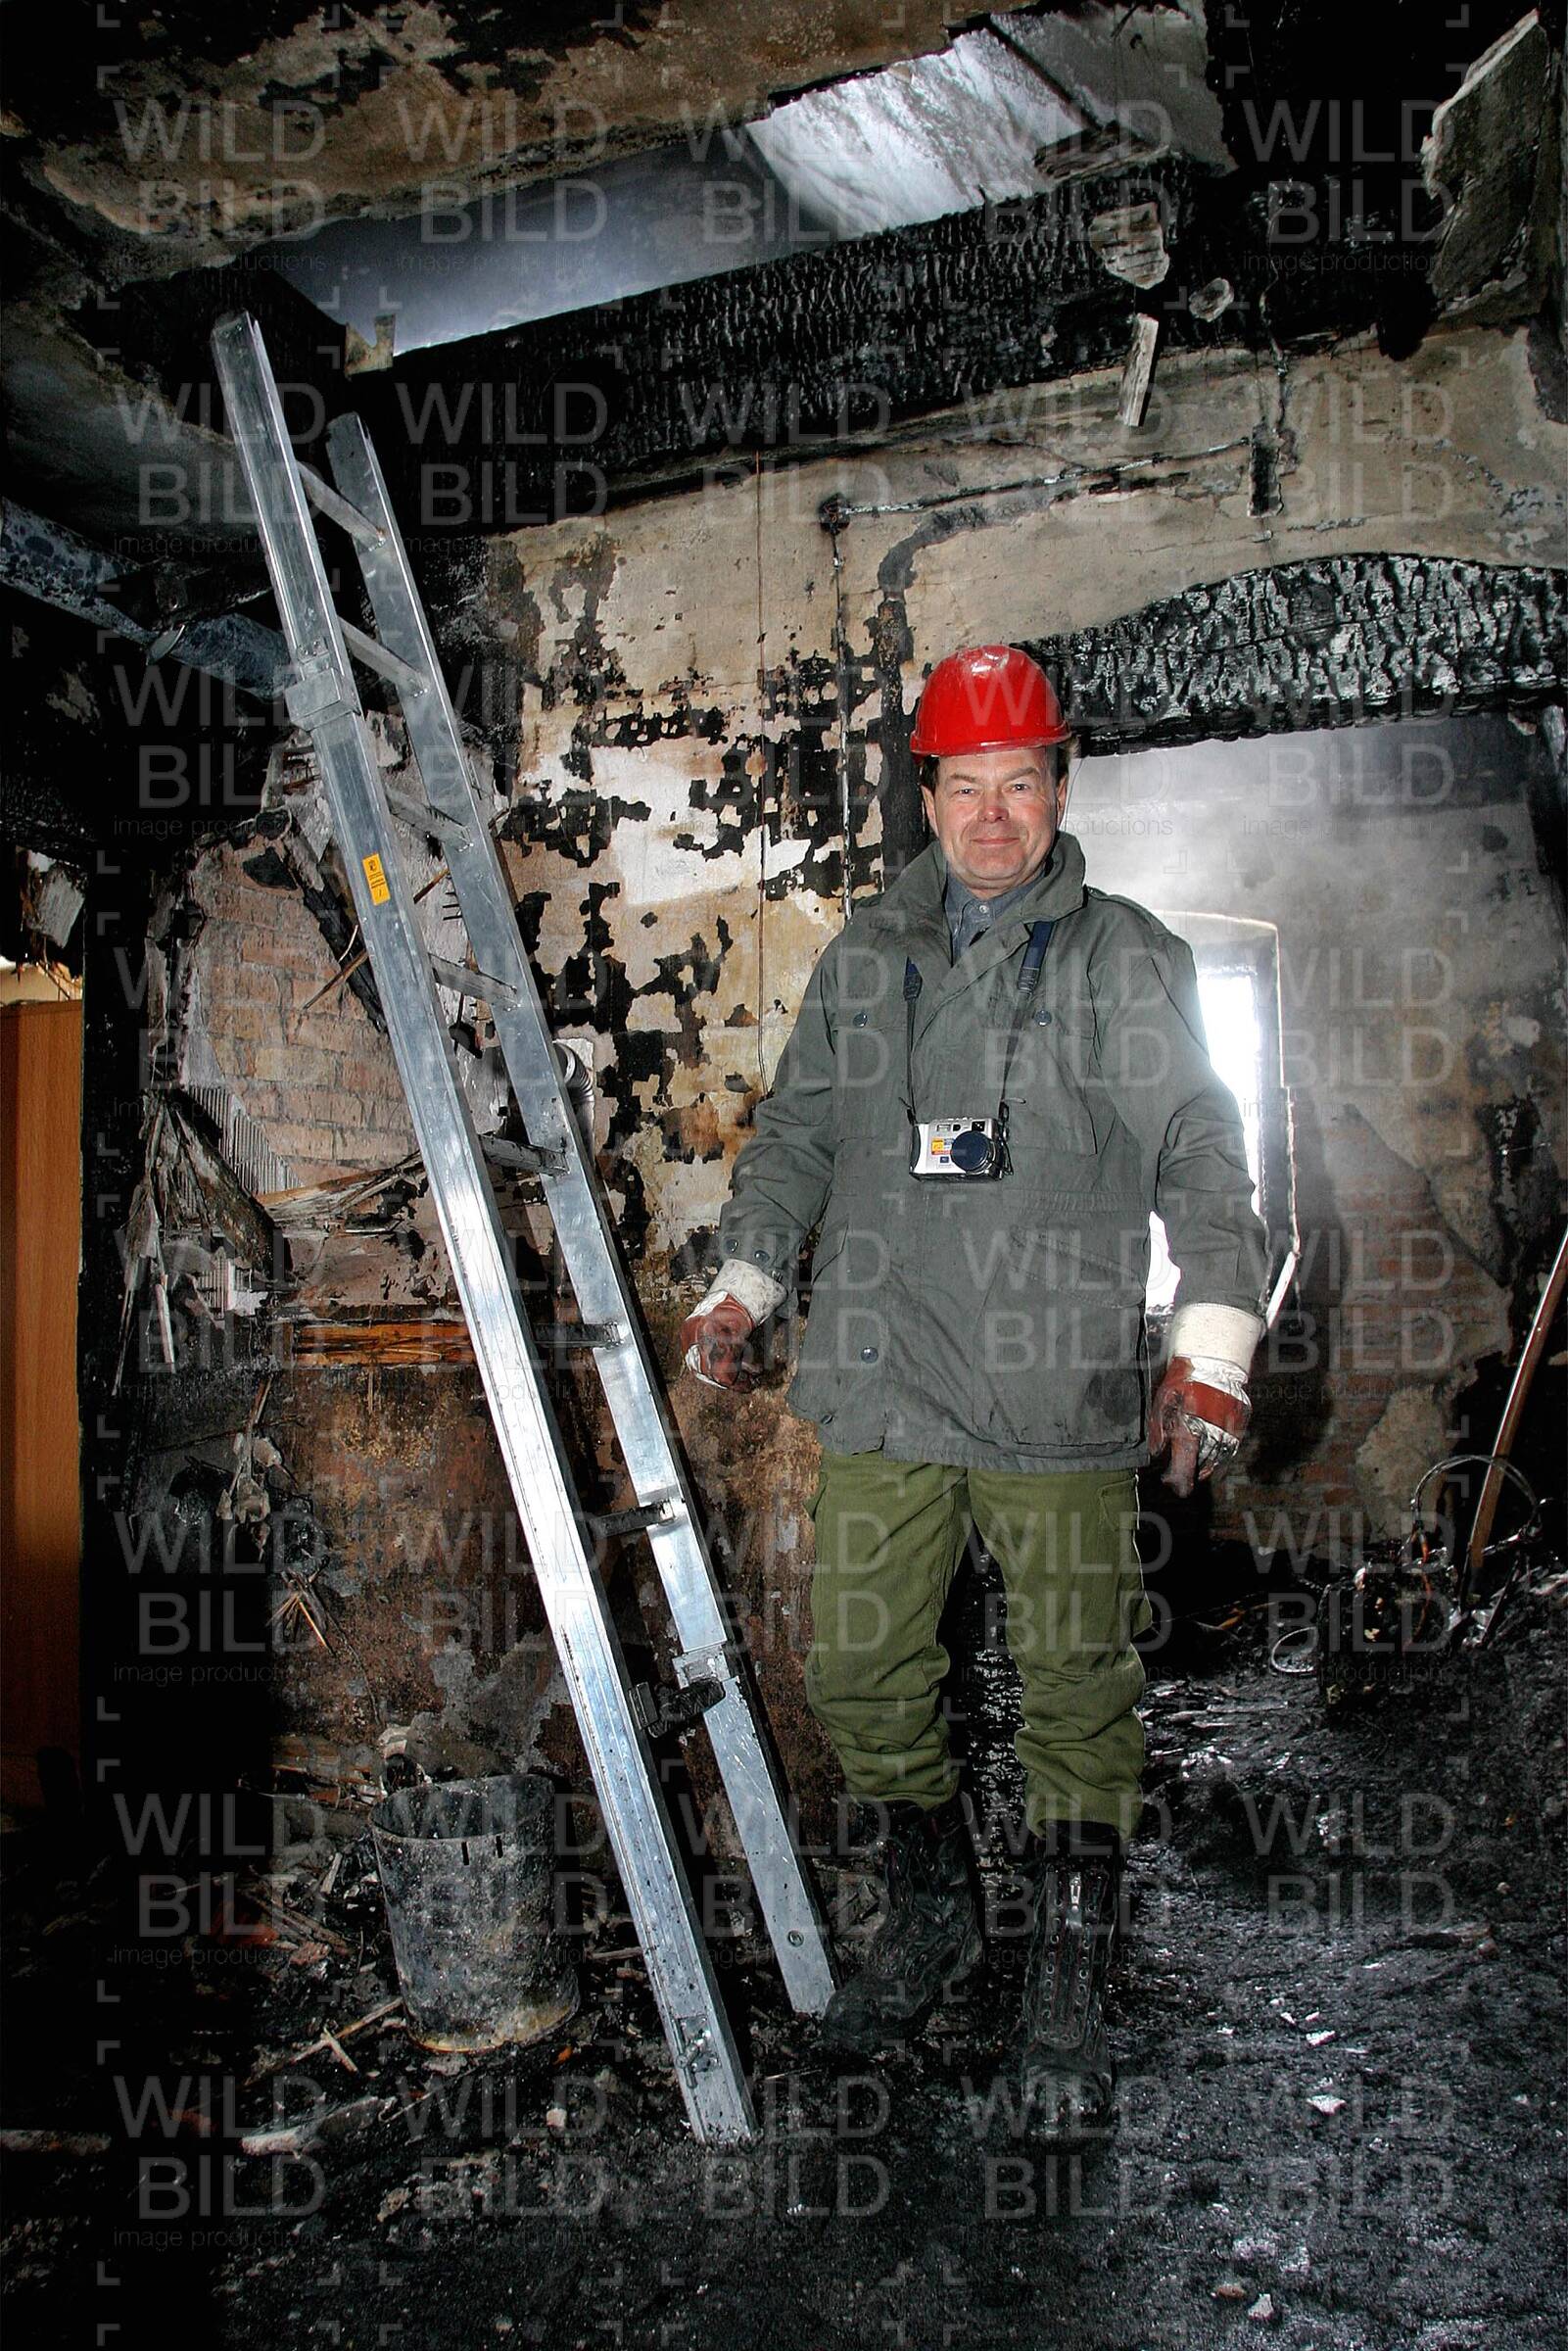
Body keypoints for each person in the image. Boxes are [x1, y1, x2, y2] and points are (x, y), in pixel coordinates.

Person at [679, 645, 1267, 2139]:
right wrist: (745, 1281)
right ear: (927, 797)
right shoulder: (865, 955)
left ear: (1057, 789)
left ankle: (1065, 1976)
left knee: (1075, 1689)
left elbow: (1200, 1148)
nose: (991, 816)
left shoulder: (1122, 955)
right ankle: (934, 1922)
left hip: (1050, 1387)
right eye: (964, 787)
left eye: (1019, 784)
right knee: (863, 1674)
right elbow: (798, 1136)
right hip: (882, 1374)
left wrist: (1209, 1346)